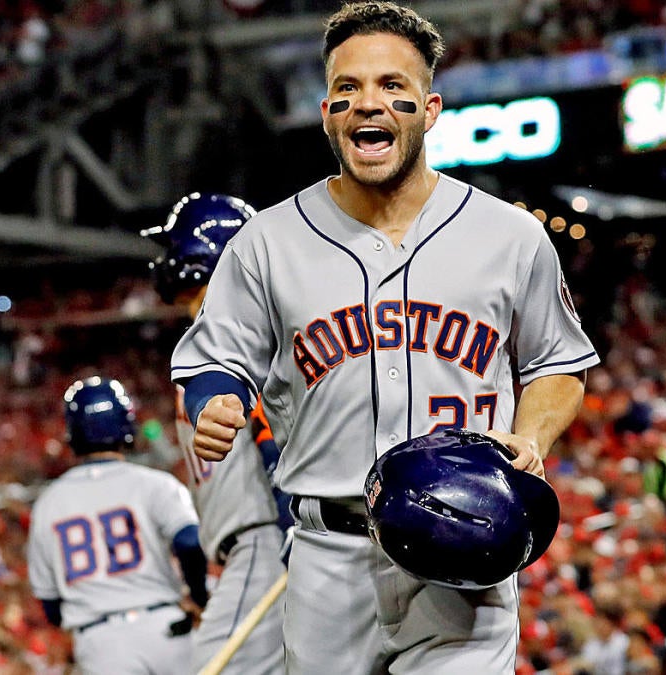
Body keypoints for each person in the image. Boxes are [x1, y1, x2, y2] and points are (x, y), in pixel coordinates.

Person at [170, 1, 599, 671]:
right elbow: (213, 358)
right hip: (326, 555)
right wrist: (214, 401)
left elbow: (559, 365)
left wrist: (534, 437)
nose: (368, 103)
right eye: (348, 88)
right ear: (327, 114)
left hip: (466, 548)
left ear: (429, 110)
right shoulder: (266, 242)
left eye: (391, 87)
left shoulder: (509, 235)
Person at [142, 192, 288, 675]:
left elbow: (273, 438)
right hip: (251, 546)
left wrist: (293, 539)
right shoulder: (217, 332)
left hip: (268, 543)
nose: (168, 260)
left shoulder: (251, 332)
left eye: (176, 248)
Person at [26, 376, 210, 674]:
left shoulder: (48, 503)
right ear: (126, 423)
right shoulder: (156, 484)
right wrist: (199, 595)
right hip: (166, 630)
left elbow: (50, 605)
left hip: (100, 642)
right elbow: (190, 541)